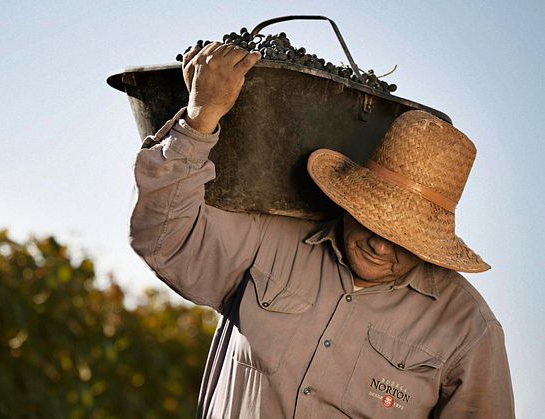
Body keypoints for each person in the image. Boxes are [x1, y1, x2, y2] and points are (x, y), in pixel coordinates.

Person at [129, 41, 515, 418]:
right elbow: (162, 238)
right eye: (373, 217)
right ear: (352, 200)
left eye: (404, 237)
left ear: (432, 244)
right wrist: (200, 120)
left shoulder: (468, 329)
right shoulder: (270, 242)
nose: (380, 245)